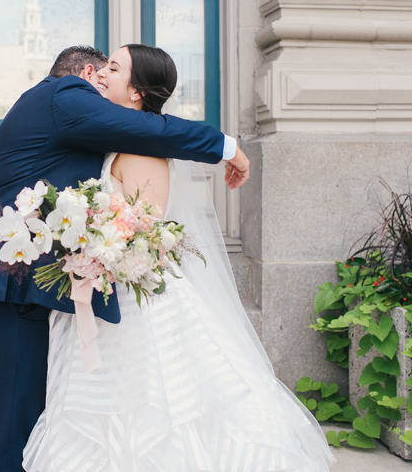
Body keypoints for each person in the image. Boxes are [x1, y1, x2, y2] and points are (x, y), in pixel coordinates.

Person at [22, 44, 336, 471]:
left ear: (135, 93)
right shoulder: (121, 140)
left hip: (135, 303)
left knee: (155, 408)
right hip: (109, 292)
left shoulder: (141, 150)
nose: (102, 75)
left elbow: (144, 231)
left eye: (113, 68)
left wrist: (91, 245)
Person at [0, 45, 251, 472]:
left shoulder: (86, 129)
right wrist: (226, 146)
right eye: (105, 68)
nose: (107, 77)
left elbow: (142, 163)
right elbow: (147, 129)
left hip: (28, 288)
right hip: (6, 286)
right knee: (14, 428)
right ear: (86, 74)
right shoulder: (65, 95)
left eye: (117, 68)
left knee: (33, 425)